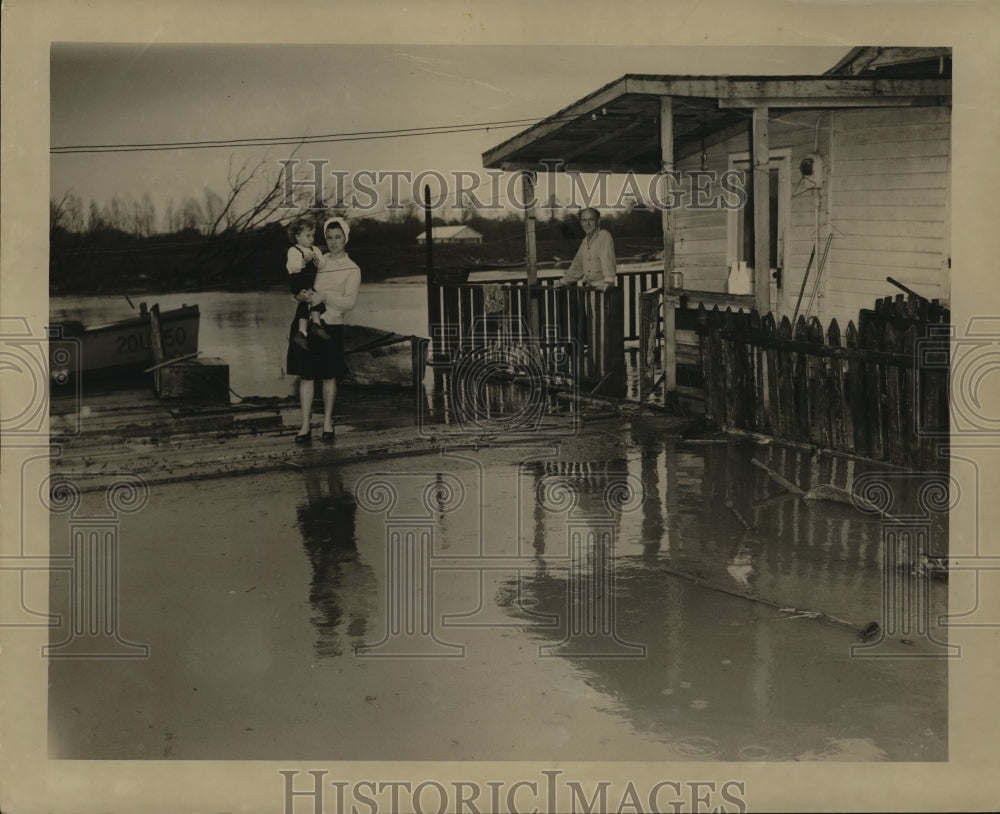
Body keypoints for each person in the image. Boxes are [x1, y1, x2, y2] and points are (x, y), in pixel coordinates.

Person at [286, 216, 361, 444]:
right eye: (329, 237)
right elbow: (299, 282)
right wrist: (297, 295)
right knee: (306, 376)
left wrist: (325, 296)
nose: (333, 242)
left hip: (331, 326)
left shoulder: (352, 268)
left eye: (338, 237)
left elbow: (349, 303)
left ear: (346, 238)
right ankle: (305, 425)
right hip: (307, 325)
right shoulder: (318, 259)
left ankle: (328, 423)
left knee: (329, 376)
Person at [286, 217, 328, 351]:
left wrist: (316, 260)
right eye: (308, 235)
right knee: (309, 300)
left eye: (313, 235)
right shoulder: (293, 250)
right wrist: (303, 260)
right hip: (298, 280)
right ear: (297, 237)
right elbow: (293, 268)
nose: (311, 238)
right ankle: (313, 326)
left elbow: (322, 265)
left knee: (312, 302)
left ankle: (309, 328)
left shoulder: (315, 249)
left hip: (309, 281)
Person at [552, 207, 617, 290]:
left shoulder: (604, 235)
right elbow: (577, 265)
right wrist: (563, 281)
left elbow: (607, 260)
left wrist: (608, 282)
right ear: (581, 223)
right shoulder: (584, 242)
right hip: (589, 288)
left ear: (598, 221)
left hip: (604, 288)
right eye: (584, 220)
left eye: (591, 220)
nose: (587, 223)